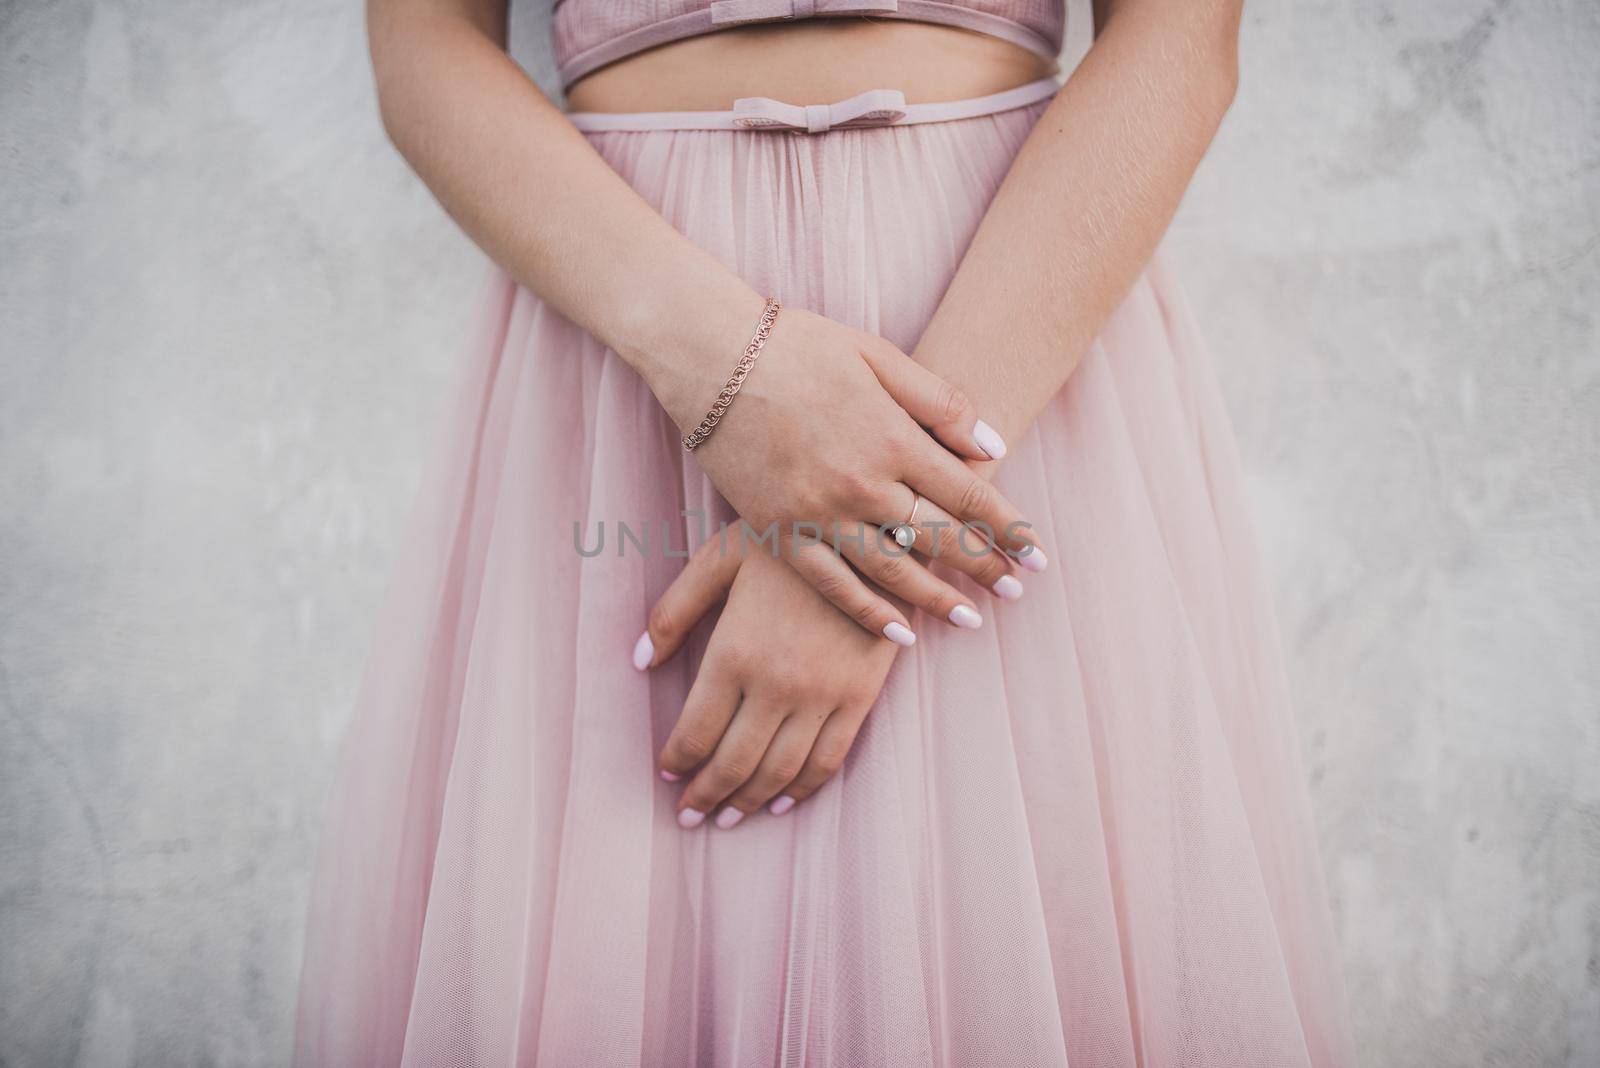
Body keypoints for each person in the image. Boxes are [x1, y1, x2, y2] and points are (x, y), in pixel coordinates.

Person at [295, 0, 1357, 1063]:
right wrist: (729, 376)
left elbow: (1179, 38)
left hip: (1001, 329)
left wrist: (881, 526)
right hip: (631, 322)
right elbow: (423, 53)